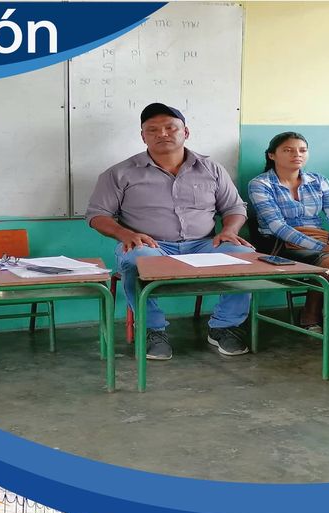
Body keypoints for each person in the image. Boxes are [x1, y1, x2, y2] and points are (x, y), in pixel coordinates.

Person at [86, 102, 254, 361]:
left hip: (204, 244)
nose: (162, 134)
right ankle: (152, 330)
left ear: (185, 132)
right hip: (152, 246)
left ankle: (224, 326)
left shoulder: (212, 169)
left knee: (243, 255)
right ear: (143, 136)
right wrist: (125, 234)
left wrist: (230, 230)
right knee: (136, 259)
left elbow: (234, 207)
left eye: (170, 128)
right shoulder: (119, 173)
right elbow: (97, 215)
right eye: (152, 130)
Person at [247, 131, 329, 334]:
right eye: (288, 150)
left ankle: (323, 310)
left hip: (321, 238)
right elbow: (277, 226)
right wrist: (324, 248)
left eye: (302, 150)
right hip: (280, 243)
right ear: (271, 155)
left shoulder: (318, 180)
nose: (297, 154)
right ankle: (311, 314)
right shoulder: (260, 184)